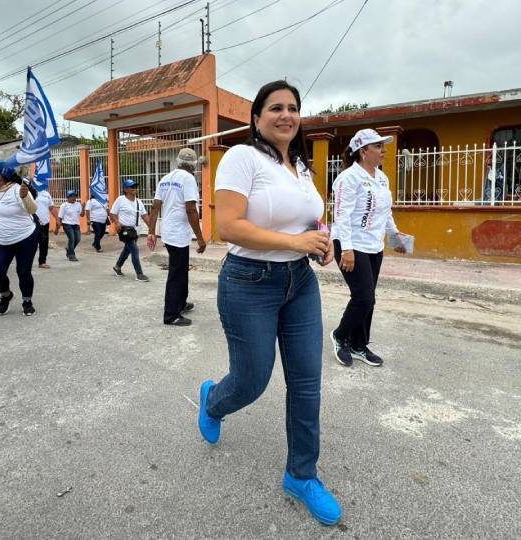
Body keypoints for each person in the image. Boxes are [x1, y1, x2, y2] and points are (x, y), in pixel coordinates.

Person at [196, 81, 341, 526]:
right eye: (275, 107)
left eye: (293, 108)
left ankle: (301, 475)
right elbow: (229, 227)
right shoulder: (242, 158)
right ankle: (214, 400)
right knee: (253, 380)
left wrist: (322, 238)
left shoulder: (300, 165)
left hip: (300, 282)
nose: (286, 115)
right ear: (257, 117)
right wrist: (294, 239)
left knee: (306, 383)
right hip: (248, 282)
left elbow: (308, 217)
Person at [329, 128, 407, 368]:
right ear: (363, 151)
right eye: (378, 146)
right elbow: (341, 215)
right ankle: (340, 336)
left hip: (374, 245)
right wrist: (347, 250)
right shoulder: (347, 178)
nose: (384, 151)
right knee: (363, 297)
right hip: (350, 242)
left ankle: (359, 345)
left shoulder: (381, 178)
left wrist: (395, 237)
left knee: (369, 300)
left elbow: (386, 212)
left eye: (383, 146)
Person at [147, 148, 206, 326]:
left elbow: (155, 207)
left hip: (168, 232)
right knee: (176, 273)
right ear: (194, 165)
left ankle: (181, 303)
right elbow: (191, 209)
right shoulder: (188, 179)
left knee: (180, 270)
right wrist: (200, 238)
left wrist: (151, 231)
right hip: (178, 234)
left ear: (179, 161)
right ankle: (171, 315)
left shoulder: (165, 178)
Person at [0, 166, 38, 316]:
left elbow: (32, 209)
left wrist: (25, 196)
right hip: (0, 241)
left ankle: (27, 301)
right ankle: (6, 295)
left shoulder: (17, 189)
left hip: (25, 238)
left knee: (23, 271)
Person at [109, 178, 151, 281]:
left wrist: (152, 228)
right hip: (125, 230)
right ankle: (139, 274)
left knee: (127, 250)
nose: (134, 188)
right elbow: (112, 213)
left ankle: (117, 266)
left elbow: (145, 216)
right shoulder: (120, 200)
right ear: (125, 189)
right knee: (134, 250)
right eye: (132, 187)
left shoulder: (139, 202)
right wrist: (117, 222)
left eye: (135, 186)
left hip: (135, 231)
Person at [55, 190, 83, 261]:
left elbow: (82, 215)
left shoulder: (78, 204)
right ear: (68, 197)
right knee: (72, 238)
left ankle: (69, 249)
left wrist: (83, 208)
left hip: (76, 224)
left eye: (75, 196)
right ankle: (71, 255)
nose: (74, 198)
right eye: (72, 196)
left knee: (78, 238)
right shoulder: (64, 205)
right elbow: (60, 217)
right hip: (67, 224)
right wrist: (57, 229)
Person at [34, 180, 57, 268]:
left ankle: (42, 261)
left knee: (44, 243)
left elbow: (51, 207)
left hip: (45, 222)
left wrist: (57, 219)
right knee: (32, 243)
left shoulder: (46, 194)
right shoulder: (31, 192)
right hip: (32, 222)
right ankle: (26, 261)